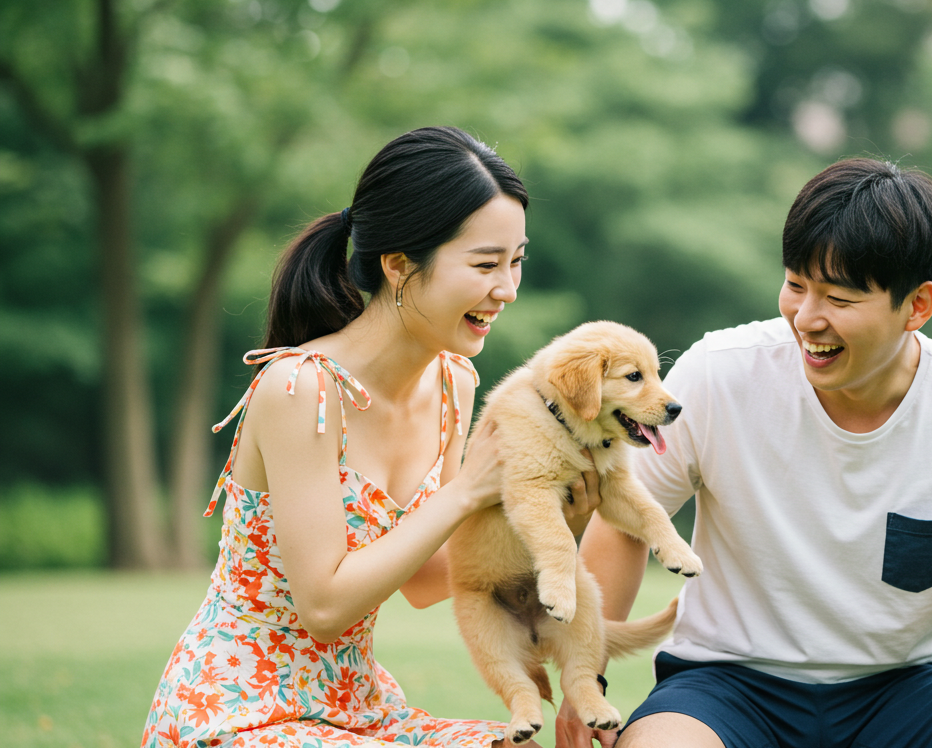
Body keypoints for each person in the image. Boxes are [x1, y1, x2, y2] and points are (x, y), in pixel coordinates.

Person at [556, 158, 932, 748]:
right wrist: (586, 678)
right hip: (726, 687)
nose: (806, 319)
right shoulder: (719, 373)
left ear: (918, 306)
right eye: (795, 285)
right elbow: (626, 523)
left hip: (907, 689)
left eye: (838, 297)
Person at [142, 126, 598, 748]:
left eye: (516, 262)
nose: (507, 290)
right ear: (399, 265)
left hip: (357, 707)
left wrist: (553, 518)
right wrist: (467, 492)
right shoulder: (300, 388)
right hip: (241, 709)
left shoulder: (453, 382)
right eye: (486, 264)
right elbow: (325, 609)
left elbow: (429, 580)